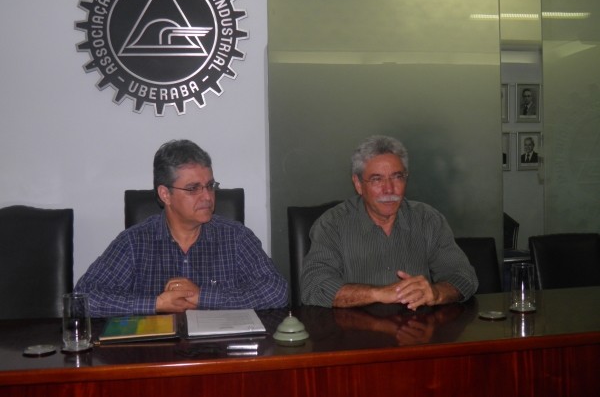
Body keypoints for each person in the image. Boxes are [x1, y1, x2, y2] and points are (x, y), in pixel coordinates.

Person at [75, 139, 288, 317]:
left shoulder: (236, 236)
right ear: (165, 195)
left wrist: (202, 297)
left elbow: (277, 291)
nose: (207, 196)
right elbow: (83, 299)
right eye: (193, 188)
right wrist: (156, 303)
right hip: (157, 352)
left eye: (210, 186)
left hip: (220, 349)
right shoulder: (134, 242)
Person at [300, 135, 478, 310]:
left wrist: (436, 293)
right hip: (355, 327)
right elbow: (314, 287)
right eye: (377, 179)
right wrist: (378, 294)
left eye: (396, 177)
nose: (389, 189)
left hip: (417, 326)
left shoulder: (427, 219)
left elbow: (464, 277)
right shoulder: (332, 225)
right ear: (358, 184)